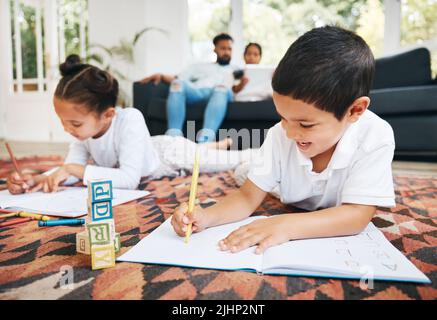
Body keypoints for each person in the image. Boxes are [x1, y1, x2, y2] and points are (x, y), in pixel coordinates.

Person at [170, 26, 396, 255]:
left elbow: (356, 215)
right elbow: (247, 198)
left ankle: (248, 161)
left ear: (355, 110)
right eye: (282, 117)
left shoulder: (376, 135)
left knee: (249, 168)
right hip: (282, 186)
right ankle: (248, 162)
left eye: (305, 124)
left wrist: (285, 225)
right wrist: (205, 216)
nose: (289, 132)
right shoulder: (280, 134)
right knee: (244, 174)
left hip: (290, 187)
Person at [7, 55, 253, 194]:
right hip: (151, 148)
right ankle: (217, 144)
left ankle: (228, 148)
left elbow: (129, 179)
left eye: (74, 123)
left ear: (108, 114)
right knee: (203, 150)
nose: (68, 129)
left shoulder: (130, 118)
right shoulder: (84, 135)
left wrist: (71, 170)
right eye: (63, 123)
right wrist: (37, 180)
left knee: (235, 160)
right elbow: (69, 170)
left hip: (171, 153)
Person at [140, 33, 238, 143]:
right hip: (197, 92)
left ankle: (205, 139)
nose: (226, 52)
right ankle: (173, 137)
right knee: (177, 84)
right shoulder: (199, 66)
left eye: (229, 49)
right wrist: (161, 76)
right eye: (223, 48)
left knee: (220, 89)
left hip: (221, 94)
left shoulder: (237, 69)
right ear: (215, 49)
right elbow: (178, 78)